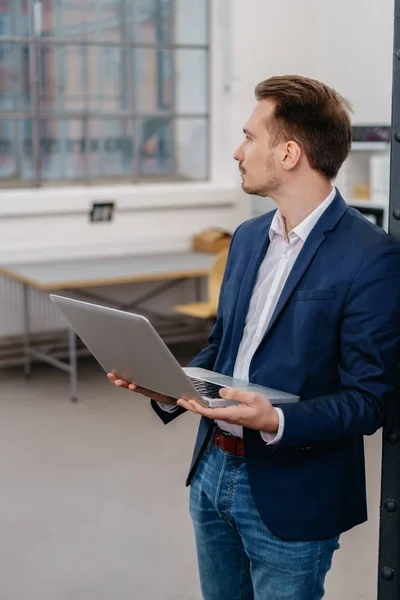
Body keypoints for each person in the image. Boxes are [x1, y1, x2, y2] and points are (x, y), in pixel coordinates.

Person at [108, 75, 400, 600]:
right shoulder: (246, 239)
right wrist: (170, 384)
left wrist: (276, 419)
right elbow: (223, 347)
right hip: (212, 471)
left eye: (249, 137)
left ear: (289, 153)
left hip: (292, 488)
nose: (238, 152)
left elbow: (368, 401)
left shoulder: (370, 256)